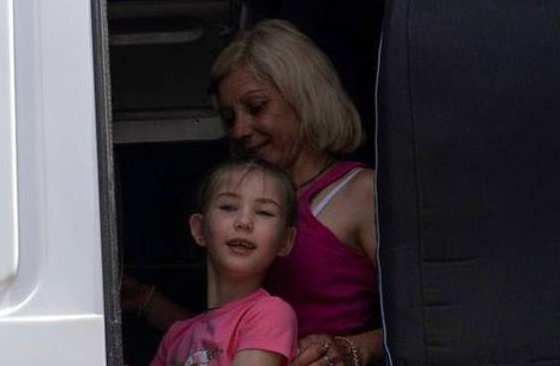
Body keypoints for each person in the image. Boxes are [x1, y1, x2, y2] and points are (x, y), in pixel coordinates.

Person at [129, 19, 382, 366]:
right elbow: (217, 343)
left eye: (256, 107)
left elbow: (425, 322)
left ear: (303, 96)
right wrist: (144, 300)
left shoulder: (360, 192)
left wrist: (353, 349)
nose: (240, 130)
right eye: (229, 117)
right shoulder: (243, 211)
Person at [150, 160, 301, 366]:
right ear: (199, 229)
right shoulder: (176, 336)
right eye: (228, 207)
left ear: (285, 241)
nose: (244, 222)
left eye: (264, 212)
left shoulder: (270, 313)